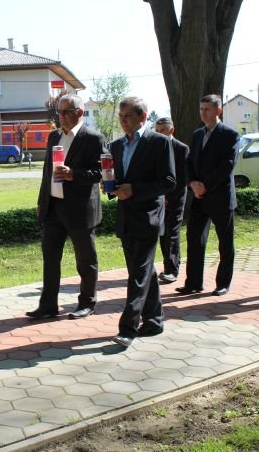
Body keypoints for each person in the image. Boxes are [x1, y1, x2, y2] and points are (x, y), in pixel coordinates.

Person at [27, 94, 107, 320]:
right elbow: (47, 172)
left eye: (65, 112)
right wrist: (42, 201)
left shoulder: (94, 138)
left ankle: (87, 303)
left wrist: (74, 174)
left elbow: (101, 172)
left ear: (79, 113)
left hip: (80, 211)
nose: (60, 116)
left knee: (85, 260)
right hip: (53, 208)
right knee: (50, 259)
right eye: (58, 112)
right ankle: (48, 306)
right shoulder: (54, 136)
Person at [109, 97, 175, 347]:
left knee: (138, 275)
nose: (123, 121)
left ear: (142, 117)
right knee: (144, 272)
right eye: (120, 116)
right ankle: (154, 320)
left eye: (127, 116)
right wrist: (111, 186)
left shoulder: (158, 142)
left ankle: (128, 328)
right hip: (126, 218)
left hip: (149, 218)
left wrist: (134, 189)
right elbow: (117, 179)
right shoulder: (116, 146)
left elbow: (168, 181)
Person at [176, 94, 239, 297]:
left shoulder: (230, 135)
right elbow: (189, 162)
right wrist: (192, 183)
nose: (203, 113)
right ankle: (193, 283)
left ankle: (223, 283)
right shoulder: (197, 135)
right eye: (201, 109)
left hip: (220, 196)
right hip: (198, 197)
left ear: (218, 111)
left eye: (207, 109)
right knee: (194, 239)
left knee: (225, 243)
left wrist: (205, 185)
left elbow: (227, 165)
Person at [154, 117, 189, 284]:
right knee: (163, 233)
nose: (160, 133)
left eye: (163, 130)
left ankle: (172, 270)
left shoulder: (181, 149)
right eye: (157, 131)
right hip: (160, 198)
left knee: (172, 233)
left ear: (171, 130)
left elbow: (182, 178)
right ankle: (168, 265)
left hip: (176, 198)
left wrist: (169, 197)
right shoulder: (155, 148)